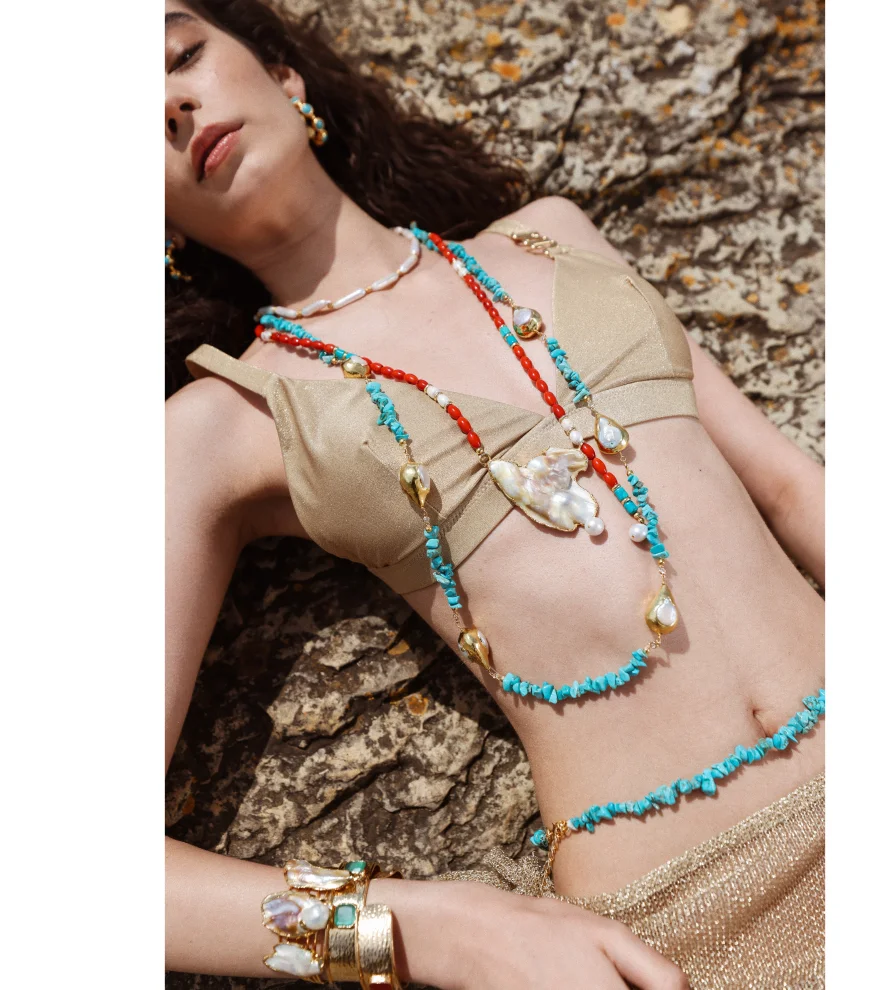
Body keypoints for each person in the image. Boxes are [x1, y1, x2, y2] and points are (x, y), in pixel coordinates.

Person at [165, 1, 825, 987]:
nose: (171, 107)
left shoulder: (550, 238)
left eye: (181, 55)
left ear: (284, 74)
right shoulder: (220, 422)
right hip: (689, 921)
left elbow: (788, 486)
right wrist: (425, 934)